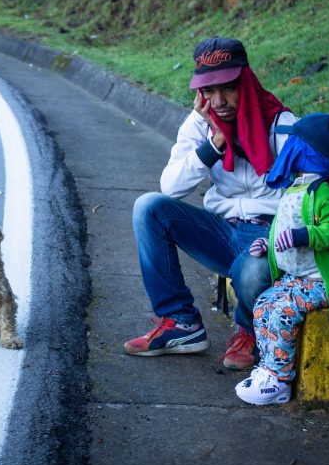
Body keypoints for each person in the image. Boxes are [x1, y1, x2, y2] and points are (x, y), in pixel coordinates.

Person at [125, 36, 295, 371]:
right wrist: (216, 142)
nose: (218, 100)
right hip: (223, 232)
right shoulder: (200, 125)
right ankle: (181, 323)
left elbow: (305, 196)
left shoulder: (282, 125)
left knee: (254, 270)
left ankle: (249, 331)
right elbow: (170, 187)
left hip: (269, 237)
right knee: (149, 207)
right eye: (209, 90)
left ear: (245, 82)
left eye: (228, 88)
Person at [235, 112, 329, 405]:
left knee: (280, 313)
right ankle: (268, 369)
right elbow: (282, 227)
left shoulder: (321, 191)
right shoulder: (295, 188)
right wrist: (268, 244)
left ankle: (279, 383)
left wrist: (306, 235)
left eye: (294, 141)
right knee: (264, 305)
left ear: (306, 150)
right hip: (296, 278)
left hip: (319, 282)